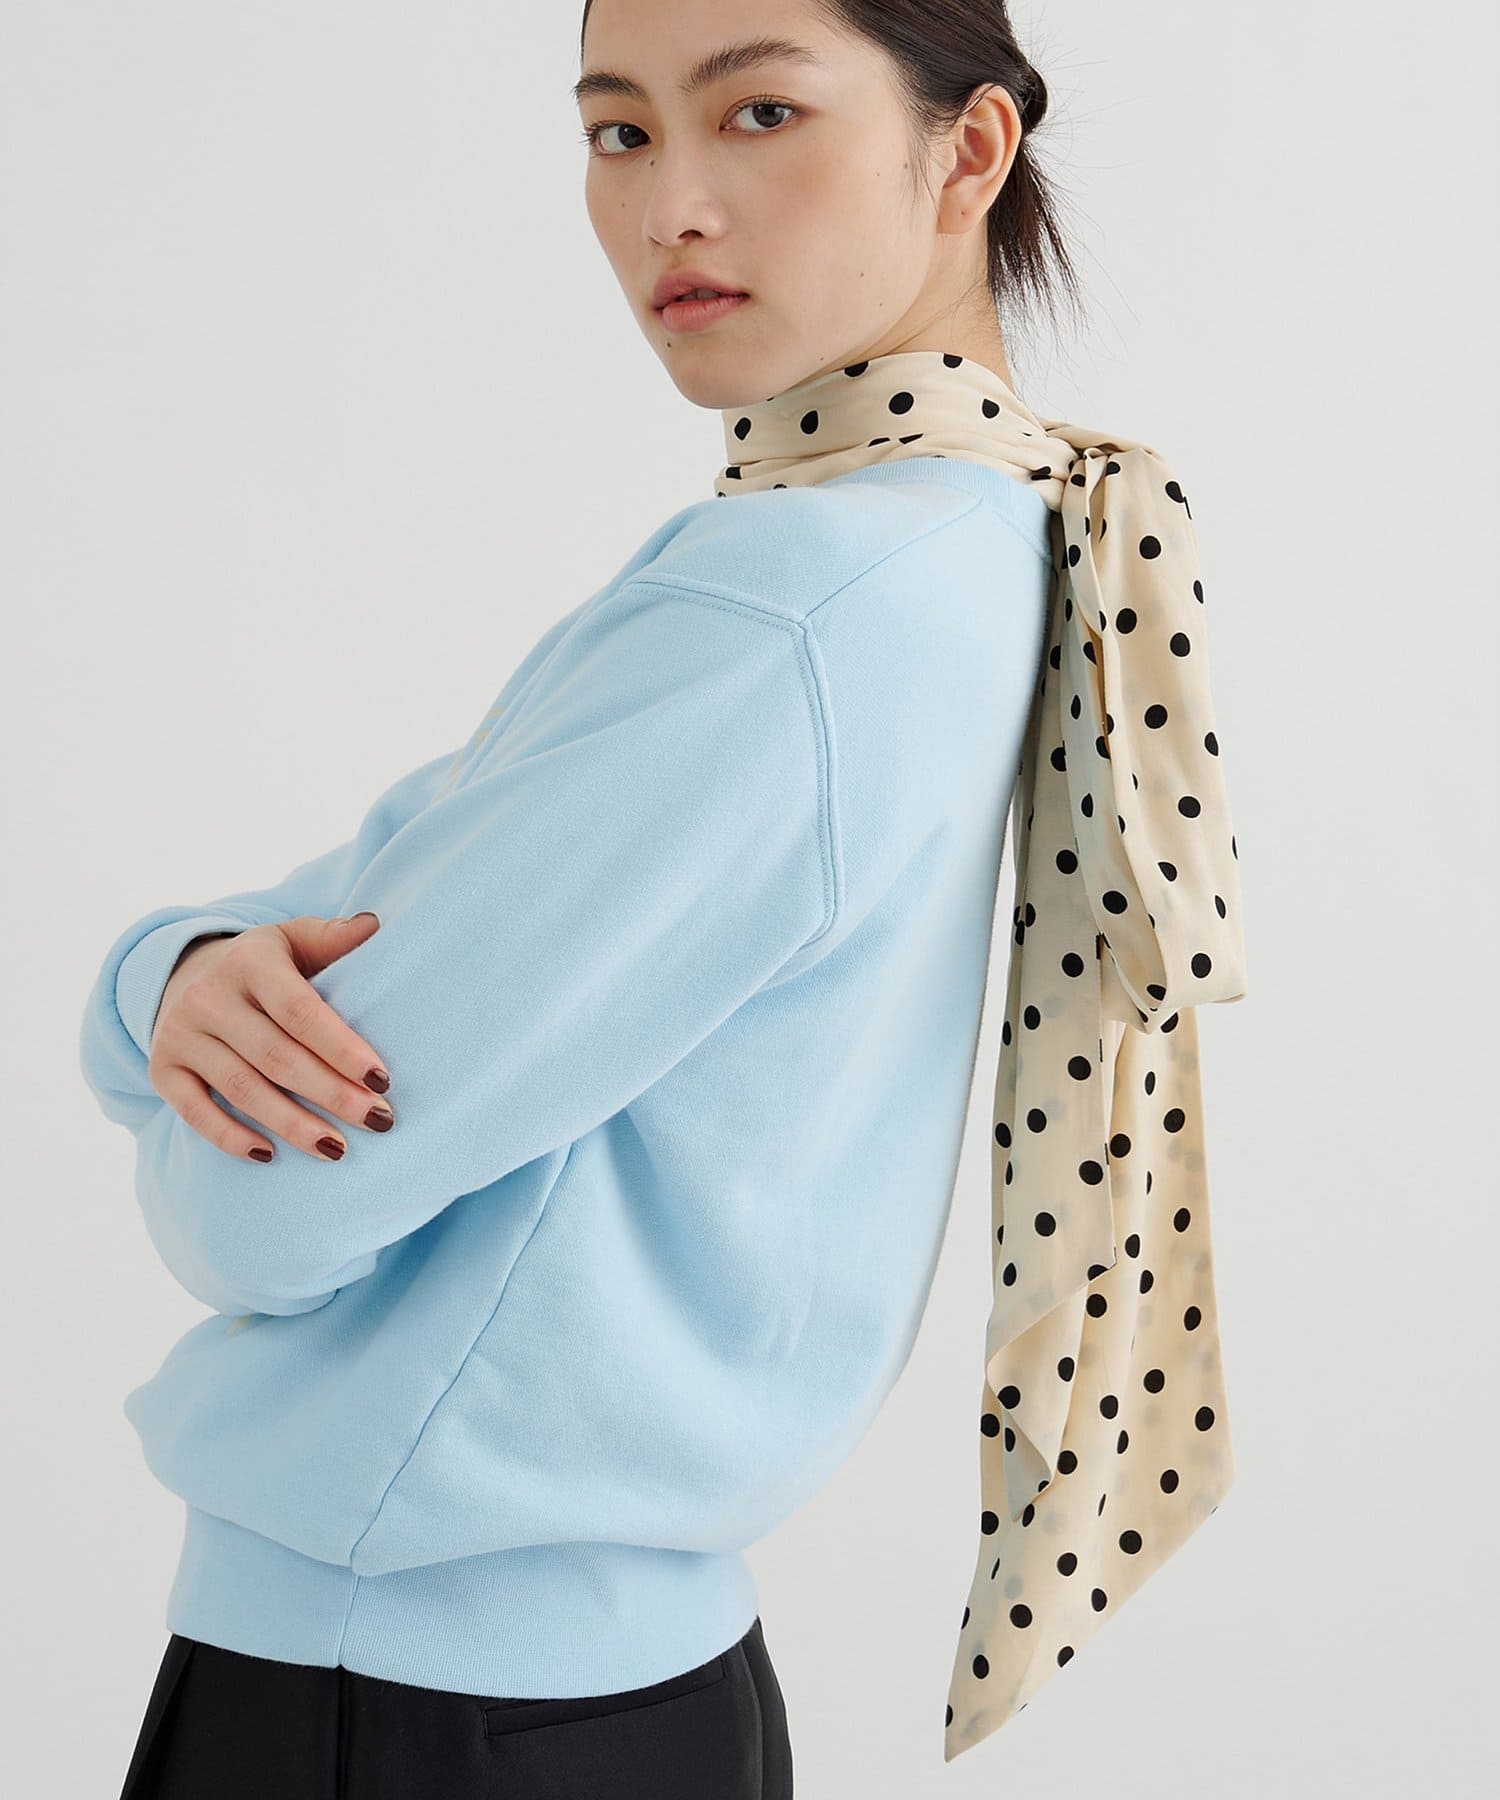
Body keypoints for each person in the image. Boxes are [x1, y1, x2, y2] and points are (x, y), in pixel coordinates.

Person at [86, 1, 1246, 1794]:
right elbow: (365, 894)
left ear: (969, 150)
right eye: (617, 130)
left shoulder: (783, 611)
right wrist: (176, 974)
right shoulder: (975, 538)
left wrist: (162, 1036)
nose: (670, 206)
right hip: (614, 1695)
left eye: (759, 112)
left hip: (398, 1698)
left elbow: (261, 1203)